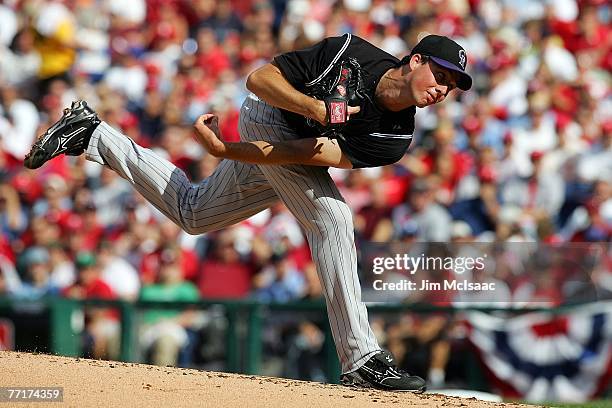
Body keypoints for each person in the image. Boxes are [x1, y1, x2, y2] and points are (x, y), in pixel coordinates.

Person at [24, 33, 472, 391]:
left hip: (280, 150)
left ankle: (93, 134)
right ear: (415, 60)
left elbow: (305, 154)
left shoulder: (394, 138)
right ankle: (362, 359)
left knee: (194, 213)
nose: (444, 88)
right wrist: (315, 106)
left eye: (452, 86)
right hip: (265, 112)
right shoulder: (350, 51)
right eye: (442, 74)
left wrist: (226, 150)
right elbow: (259, 80)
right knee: (333, 218)